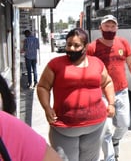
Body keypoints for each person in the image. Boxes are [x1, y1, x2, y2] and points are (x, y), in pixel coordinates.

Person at [37, 28, 116, 161]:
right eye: (69, 45)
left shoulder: (97, 63)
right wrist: (47, 107)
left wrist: (112, 103)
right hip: (64, 128)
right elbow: (43, 87)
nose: (72, 48)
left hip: (95, 127)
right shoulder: (55, 64)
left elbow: (107, 82)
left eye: (76, 45)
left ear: (86, 46)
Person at [87, 14, 131, 161]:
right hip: (102, 93)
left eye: (113, 26)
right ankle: (110, 158)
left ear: (117, 28)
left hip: (121, 91)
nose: (110, 29)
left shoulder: (123, 43)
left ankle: (116, 140)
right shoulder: (92, 48)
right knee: (105, 129)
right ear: (100, 28)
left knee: (124, 124)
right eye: (107, 26)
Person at [0, 75, 62, 161]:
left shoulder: (7, 126)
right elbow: (43, 87)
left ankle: (33, 81)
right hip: (65, 131)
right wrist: (47, 108)